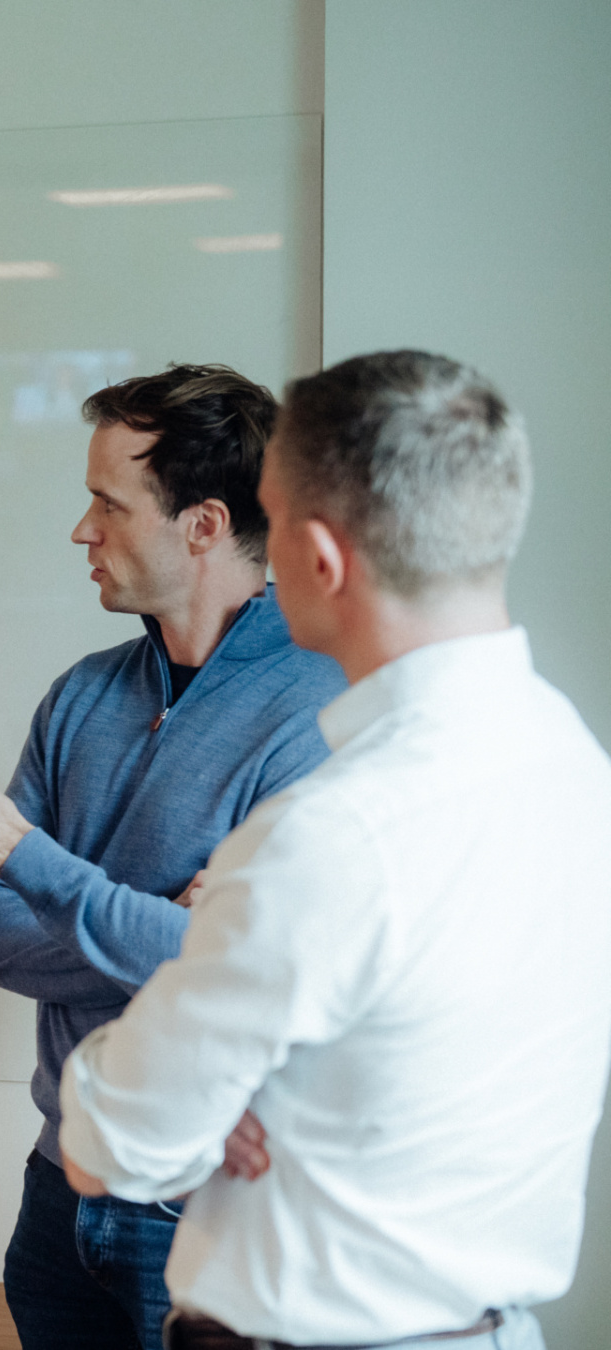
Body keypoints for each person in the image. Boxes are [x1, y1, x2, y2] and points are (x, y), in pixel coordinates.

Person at [57, 351, 611, 1350]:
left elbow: (109, 1149)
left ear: (317, 556)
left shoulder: (331, 834)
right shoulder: (572, 763)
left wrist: (172, 1071)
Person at [0, 365, 346, 1349]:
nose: (83, 531)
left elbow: (259, 974)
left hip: (213, 1206)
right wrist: (172, 925)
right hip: (58, 1190)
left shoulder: (319, 710)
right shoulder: (82, 696)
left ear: (202, 525)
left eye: (107, 505)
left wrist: (41, 869)